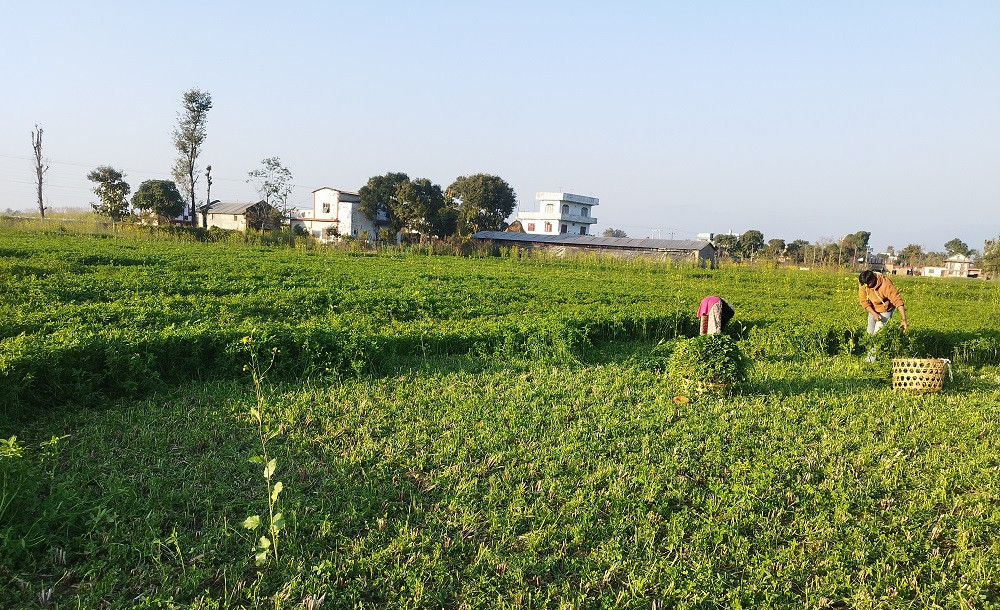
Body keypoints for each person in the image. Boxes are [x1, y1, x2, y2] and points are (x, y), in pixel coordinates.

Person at [858, 270, 908, 334]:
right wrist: (874, 314)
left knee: (878, 332)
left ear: (873, 278)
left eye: (868, 283)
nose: (866, 286)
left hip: (886, 309)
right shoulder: (864, 284)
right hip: (873, 308)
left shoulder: (885, 284)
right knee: (869, 332)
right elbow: (863, 301)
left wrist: (904, 319)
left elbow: (897, 300)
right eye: (865, 284)